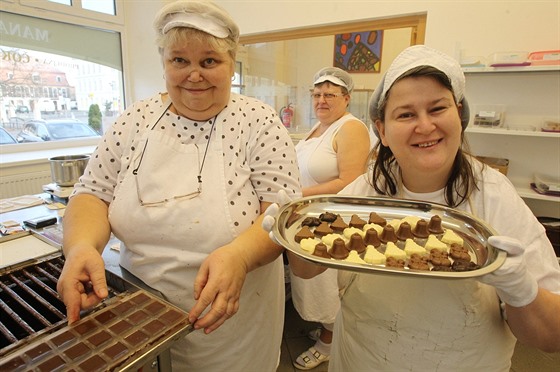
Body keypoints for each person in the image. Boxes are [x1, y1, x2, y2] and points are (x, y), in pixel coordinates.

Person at [266, 45, 560, 371]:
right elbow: (309, 270)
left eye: (437, 109)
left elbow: (550, 337)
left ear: (459, 116)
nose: (424, 126)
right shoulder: (364, 192)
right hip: (359, 359)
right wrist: (291, 233)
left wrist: (521, 290)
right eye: (406, 114)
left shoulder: (494, 197)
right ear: (382, 131)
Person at [56, 1, 301, 371]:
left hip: (229, 324)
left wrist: (239, 255)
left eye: (209, 61)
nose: (194, 75)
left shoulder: (257, 121)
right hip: (140, 314)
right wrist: (79, 247)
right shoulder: (135, 119)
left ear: (231, 62)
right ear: (164, 61)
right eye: (179, 61)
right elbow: (92, 193)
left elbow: (283, 214)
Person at [289, 67, 371, 370]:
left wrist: (298, 194)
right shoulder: (318, 127)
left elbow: (350, 180)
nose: (321, 100)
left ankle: (328, 342)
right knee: (310, 282)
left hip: (332, 220)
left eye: (330, 95)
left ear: (346, 98)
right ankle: (327, 328)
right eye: (317, 95)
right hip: (308, 216)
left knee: (325, 282)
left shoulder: (351, 128)